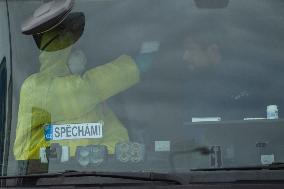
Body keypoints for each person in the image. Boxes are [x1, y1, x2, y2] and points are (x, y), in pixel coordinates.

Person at [13, 0, 156, 161]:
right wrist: (134, 66)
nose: (82, 56)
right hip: (36, 177)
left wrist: (99, 157)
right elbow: (87, 88)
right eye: (74, 49)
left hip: (84, 179)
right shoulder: (34, 88)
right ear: (60, 53)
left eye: (82, 49)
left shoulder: (94, 104)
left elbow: (117, 139)